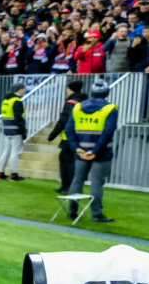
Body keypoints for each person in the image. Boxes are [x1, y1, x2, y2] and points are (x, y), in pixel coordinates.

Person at [65, 79, 118, 224]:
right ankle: (96, 214)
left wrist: (77, 148)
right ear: (106, 92)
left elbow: (69, 129)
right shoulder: (110, 108)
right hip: (101, 153)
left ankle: (72, 211)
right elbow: (108, 132)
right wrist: (95, 151)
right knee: (96, 183)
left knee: (77, 180)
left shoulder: (78, 107)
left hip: (81, 152)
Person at [47, 79, 85, 193]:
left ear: (70, 90)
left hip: (68, 137)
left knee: (66, 162)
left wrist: (52, 135)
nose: (67, 90)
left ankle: (67, 187)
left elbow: (63, 120)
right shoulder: (84, 101)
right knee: (71, 162)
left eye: (68, 88)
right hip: (80, 135)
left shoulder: (71, 103)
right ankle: (69, 186)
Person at [0, 83, 28, 181]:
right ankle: (14, 174)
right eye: (24, 89)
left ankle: (1, 172)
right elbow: (18, 118)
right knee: (15, 152)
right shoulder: (17, 101)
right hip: (16, 130)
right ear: (20, 90)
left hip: (7, 129)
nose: (25, 91)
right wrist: (23, 131)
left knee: (7, 151)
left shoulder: (6, 100)